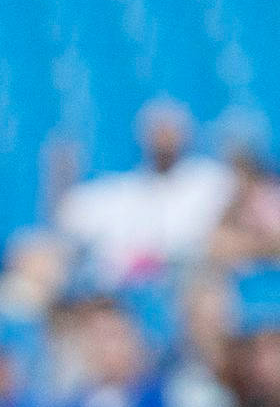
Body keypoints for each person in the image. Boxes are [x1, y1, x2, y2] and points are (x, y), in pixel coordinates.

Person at [55, 98, 234, 289]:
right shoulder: (121, 191)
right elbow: (70, 214)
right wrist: (62, 175)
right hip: (124, 289)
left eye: (170, 131)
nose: (164, 140)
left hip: (192, 279)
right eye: (158, 132)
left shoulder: (211, 180)